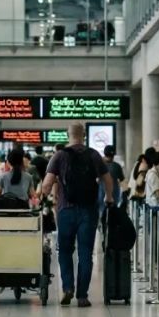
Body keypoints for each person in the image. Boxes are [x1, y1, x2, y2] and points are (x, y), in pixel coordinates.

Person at [38, 123, 115, 307]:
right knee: (85, 253)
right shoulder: (94, 155)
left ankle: (67, 288)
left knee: (64, 251)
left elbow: (47, 184)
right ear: (84, 135)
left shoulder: (59, 155)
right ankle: (82, 296)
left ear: (68, 134)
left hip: (66, 210)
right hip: (89, 211)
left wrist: (42, 198)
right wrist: (109, 197)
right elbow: (108, 179)